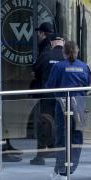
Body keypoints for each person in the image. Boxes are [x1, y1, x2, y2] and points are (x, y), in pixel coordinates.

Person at [45, 39, 90, 180]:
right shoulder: (84, 67)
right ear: (77, 52)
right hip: (80, 107)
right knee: (77, 138)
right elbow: (87, 85)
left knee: (62, 138)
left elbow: (50, 86)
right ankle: (69, 169)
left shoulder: (58, 67)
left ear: (64, 52)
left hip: (63, 106)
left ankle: (62, 170)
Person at [29, 23, 57, 165]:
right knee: (56, 122)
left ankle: (40, 155)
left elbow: (35, 72)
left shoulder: (45, 53)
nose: (38, 36)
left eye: (39, 33)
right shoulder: (62, 54)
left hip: (46, 94)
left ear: (43, 34)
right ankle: (53, 148)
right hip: (60, 96)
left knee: (43, 123)